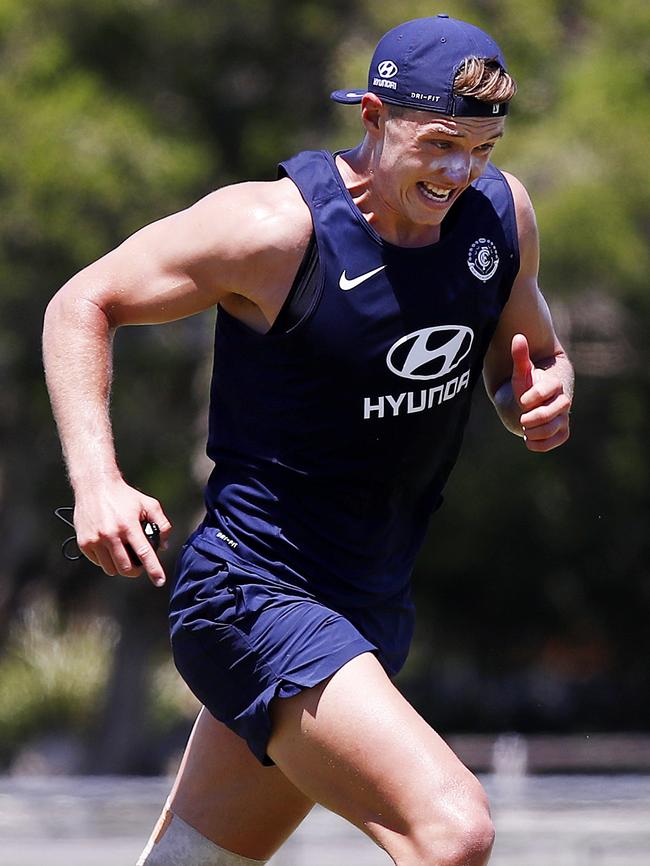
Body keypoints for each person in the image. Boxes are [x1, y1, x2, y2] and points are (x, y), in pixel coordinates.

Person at [43, 14, 573, 866]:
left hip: (368, 604)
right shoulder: (273, 232)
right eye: (440, 142)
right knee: (453, 831)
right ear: (371, 116)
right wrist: (96, 478)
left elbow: (530, 359)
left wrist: (538, 400)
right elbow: (79, 303)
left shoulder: (500, 217)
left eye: (482, 146)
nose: (459, 170)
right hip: (250, 592)